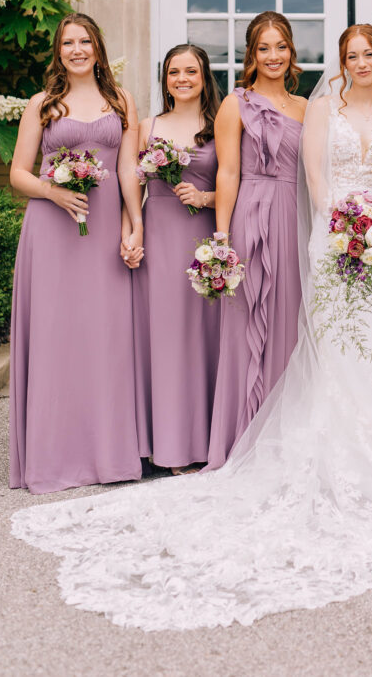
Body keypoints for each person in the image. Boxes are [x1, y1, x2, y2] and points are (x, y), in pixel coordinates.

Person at [11, 25, 372, 632]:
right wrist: (338, 231)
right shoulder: (321, 110)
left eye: (369, 55)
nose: (360, 63)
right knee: (328, 348)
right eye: (350, 55)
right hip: (334, 238)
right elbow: (318, 184)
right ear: (338, 62)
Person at [9, 13, 142, 493]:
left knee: (106, 337)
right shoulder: (42, 104)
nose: (78, 49)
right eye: (69, 42)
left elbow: (129, 169)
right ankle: (52, 457)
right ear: (58, 51)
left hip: (103, 233)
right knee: (56, 335)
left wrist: (134, 226)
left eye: (85, 41)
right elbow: (18, 173)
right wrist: (53, 192)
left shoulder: (120, 101)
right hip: (51, 232)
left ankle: (107, 454)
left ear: (98, 47)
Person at [206, 12, 306, 468]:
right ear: (251, 54)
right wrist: (222, 238)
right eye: (264, 48)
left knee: (290, 322)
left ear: (291, 52)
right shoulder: (235, 104)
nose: (273, 56)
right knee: (246, 327)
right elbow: (227, 172)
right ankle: (240, 438)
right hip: (251, 213)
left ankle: (285, 438)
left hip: (294, 217)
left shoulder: (307, 108)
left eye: (280, 46)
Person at [132, 44, 221, 474]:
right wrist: (133, 227)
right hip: (159, 240)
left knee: (200, 337)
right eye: (173, 72)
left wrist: (205, 197)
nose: (182, 79)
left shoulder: (222, 127)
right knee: (162, 338)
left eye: (191, 71)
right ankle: (163, 444)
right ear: (164, 79)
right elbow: (130, 182)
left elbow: (243, 186)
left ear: (205, 76)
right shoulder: (148, 125)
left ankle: (202, 441)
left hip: (201, 241)